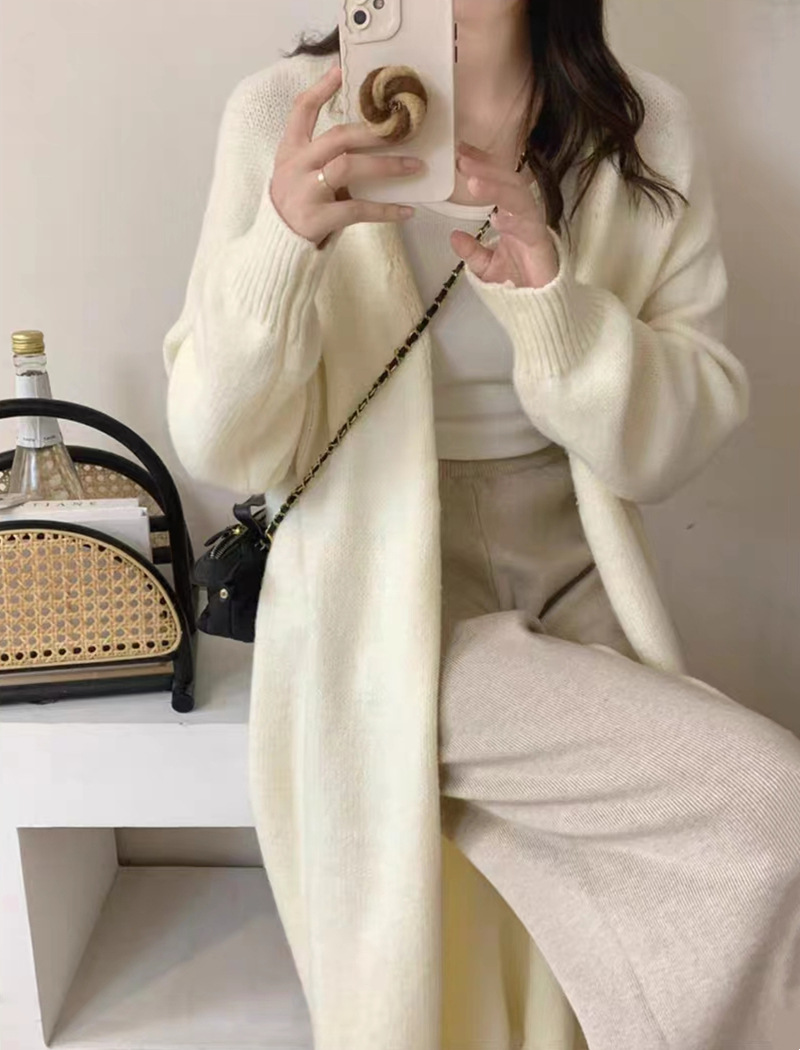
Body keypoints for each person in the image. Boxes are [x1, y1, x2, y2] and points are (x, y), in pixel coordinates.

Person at [161, 2, 800, 1048]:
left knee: (684, 882)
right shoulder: (283, 113)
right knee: (768, 806)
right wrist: (282, 245)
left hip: (577, 565)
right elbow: (222, 443)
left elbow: (672, 447)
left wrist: (554, 297)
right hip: (377, 587)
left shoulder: (642, 130)